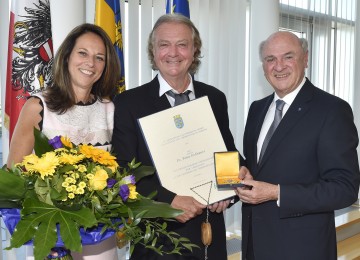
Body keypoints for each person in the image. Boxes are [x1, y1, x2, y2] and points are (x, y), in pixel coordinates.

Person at [112, 13, 245, 260]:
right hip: (157, 240)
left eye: (182, 44)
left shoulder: (214, 98)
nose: (173, 53)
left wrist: (228, 189)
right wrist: (169, 200)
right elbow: (123, 170)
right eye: (164, 44)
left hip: (208, 236)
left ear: (194, 50)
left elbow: (227, 152)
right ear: (153, 50)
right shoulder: (129, 103)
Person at [235, 31, 360, 260]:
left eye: (288, 57)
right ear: (263, 66)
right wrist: (243, 171)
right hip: (254, 247)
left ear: (306, 58)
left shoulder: (332, 111)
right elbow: (260, 166)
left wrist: (276, 193)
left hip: (302, 250)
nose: (279, 66)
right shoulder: (257, 109)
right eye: (270, 59)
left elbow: (345, 189)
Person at [7, 23, 121, 260]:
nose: (90, 63)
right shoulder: (38, 107)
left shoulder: (112, 110)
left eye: (99, 57)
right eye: (83, 53)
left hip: (99, 239)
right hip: (51, 238)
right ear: (67, 56)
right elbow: (13, 177)